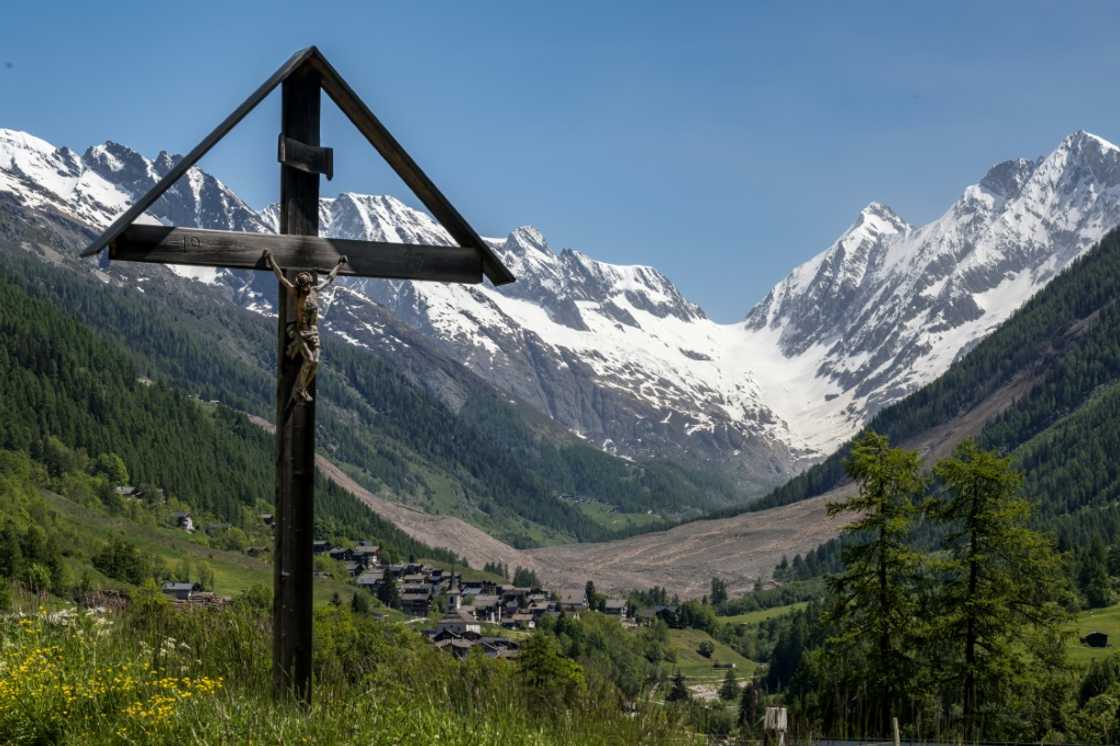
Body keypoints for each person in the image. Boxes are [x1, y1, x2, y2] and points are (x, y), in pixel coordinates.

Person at [262, 249, 348, 403]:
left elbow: (329, 279)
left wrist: (339, 265)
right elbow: (280, 277)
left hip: (313, 331)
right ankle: (300, 390)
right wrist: (271, 259)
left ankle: (301, 388)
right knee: (309, 359)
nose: (306, 288)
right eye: (304, 286)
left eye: (307, 285)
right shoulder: (296, 293)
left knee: (315, 362)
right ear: (300, 285)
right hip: (300, 331)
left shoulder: (315, 291)